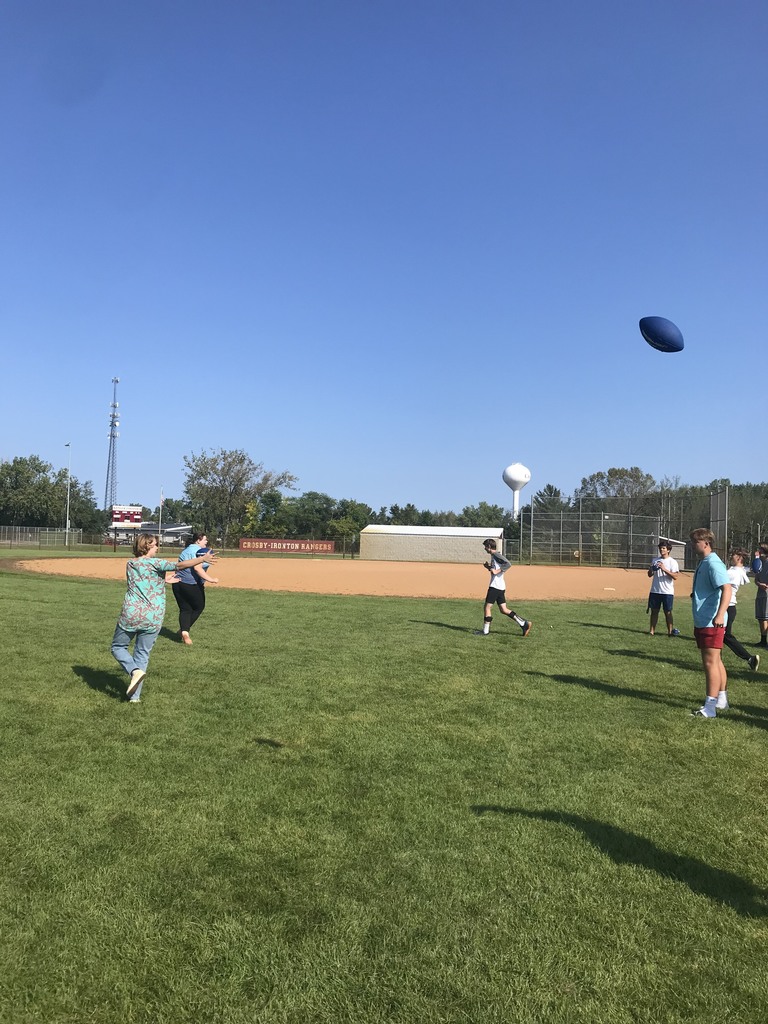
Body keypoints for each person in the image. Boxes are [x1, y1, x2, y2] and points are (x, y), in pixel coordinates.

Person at [111, 533, 217, 702]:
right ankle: (135, 697)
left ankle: (133, 671)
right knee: (142, 654)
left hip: (132, 613)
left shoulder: (130, 564)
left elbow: (142, 578)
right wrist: (201, 559)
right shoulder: (158, 564)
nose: (157, 547)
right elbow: (180, 565)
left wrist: (163, 580)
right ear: (146, 546)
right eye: (154, 545)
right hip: (154, 616)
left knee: (118, 647)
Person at [689, 528, 732, 718]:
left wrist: (720, 615)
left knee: (710, 663)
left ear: (705, 543)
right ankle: (722, 699)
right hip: (704, 619)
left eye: (695, 542)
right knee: (716, 660)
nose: (692, 545)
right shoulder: (704, 562)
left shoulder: (713, 563)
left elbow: (727, 589)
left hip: (711, 621)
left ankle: (710, 707)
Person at [172, 531, 219, 645]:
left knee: (185, 609)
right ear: (198, 540)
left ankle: (184, 632)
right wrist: (211, 579)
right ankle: (184, 630)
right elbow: (197, 569)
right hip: (190, 584)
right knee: (199, 607)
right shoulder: (196, 551)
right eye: (205, 540)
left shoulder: (187, 550)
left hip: (177, 584)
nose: (206, 542)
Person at [477, 539, 531, 637]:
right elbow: (496, 568)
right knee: (503, 609)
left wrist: (496, 571)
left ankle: (485, 631)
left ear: (489, 546)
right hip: (500, 586)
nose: (484, 548)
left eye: (485, 546)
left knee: (487, 607)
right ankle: (524, 624)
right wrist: (488, 567)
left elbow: (508, 564)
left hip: (495, 586)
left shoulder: (497, 555)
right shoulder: (494, 556)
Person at [724, 549, 760, 671]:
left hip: (727, 607)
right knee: (723, 636)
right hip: (729, 607)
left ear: (739, 557)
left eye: (733, 555)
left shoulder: (734, 573)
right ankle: (750, 659)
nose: (730, 556)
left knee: (725, 636)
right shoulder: (737, 571)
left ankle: (750, 658)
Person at [646, 540, 681, 636]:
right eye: (660, 548)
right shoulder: (655, 560)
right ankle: (651, 631)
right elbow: (649, 575)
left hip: (667, 591)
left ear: (668, 550)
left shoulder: (672, 562)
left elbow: (675, 576)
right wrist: (651, 569)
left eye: (663, 548)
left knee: (668, 612)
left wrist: (664, 569)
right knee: (654, 611)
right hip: (655, 590)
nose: (661, 550)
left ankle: (670, 632)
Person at [752, 544, 768, 647]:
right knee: (761, 618)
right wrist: (759, 584)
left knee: (766, 618)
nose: (758, 552)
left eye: (760, 550)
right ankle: (763, 641)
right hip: (760, 593)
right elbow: (756, 578)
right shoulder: (760, 564)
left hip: (767, 594)